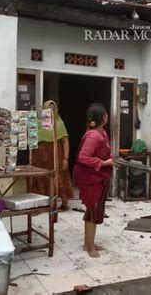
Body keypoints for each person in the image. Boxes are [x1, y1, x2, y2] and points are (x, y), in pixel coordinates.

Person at [73, 103, 116, 258]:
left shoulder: (101, 132)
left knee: (95, 210)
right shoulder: (94, 136)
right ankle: (89, 247)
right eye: (106, 114)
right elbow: (83, 157)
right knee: (92, 210)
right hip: (90, 178)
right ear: (104, 117)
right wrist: (104, 163)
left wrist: (109, 160)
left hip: (98, 177)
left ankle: (88, 242)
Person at [30, 100, 73, 210]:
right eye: (49, 109)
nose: (52, 112)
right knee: (42, 177)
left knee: (59, 176)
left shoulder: (59, 123)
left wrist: (65, 158)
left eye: (54, 109)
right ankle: (45, 203)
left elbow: (65, 141)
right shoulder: (39, 123)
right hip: (40, 157)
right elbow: (33, 139)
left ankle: (64, 202)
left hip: (56, 155)